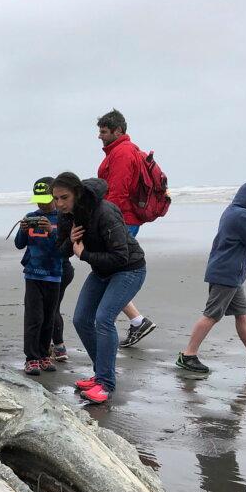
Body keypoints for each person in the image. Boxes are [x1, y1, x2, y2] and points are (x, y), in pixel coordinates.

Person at [53, 172, 146, 404]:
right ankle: (101, 374)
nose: (60, 203)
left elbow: (121, 257)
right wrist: (69, 240)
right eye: (56, 198)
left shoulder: (105, 211)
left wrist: (84, 254)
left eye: (64, 197)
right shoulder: (67, 216)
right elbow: (61, 251)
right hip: (101, 271)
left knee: (103, 319)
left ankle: (105, 384)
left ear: (77, 193)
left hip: (130, 270)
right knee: (81, 319)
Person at [176, 180, 246, 374]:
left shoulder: (235, 210)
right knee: (212, 315)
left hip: (230, 272)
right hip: (226, 273)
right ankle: (188, 355)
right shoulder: (242, 216)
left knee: (243, 314)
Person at [97, 109, 157, 348]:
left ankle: (135, 321)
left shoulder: (122, 153)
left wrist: (105, 222)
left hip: (122, 220)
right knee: (111, 273)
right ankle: (137, 320)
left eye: (103, 132)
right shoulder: (122, 151)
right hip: (124, 219)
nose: (99, 136)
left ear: (117, 131)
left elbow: (117, 193)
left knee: (113, 273)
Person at [15, 177, 64, 374]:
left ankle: (44, 354)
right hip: (33, 274)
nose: (41, 203)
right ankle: (32, 358)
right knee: (33, 318)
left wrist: (50, 231)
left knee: (48, 318)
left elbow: (64, 248)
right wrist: (22, 230)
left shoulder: (62, 218)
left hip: (54, 274)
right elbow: (19, 244)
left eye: (45, 198)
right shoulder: (30, 215)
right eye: (38, 199)